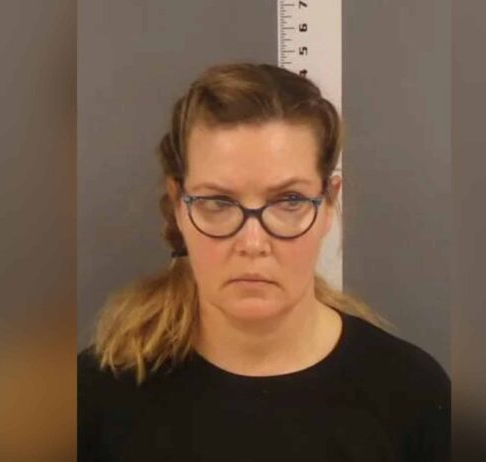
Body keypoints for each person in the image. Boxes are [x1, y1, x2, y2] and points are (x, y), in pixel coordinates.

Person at [78, 63, 450, 461]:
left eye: (289, 201)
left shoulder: (413, 396)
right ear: (178, 204)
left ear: (329, 203)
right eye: (218, 202)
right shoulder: (94, 397)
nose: (253, 243)